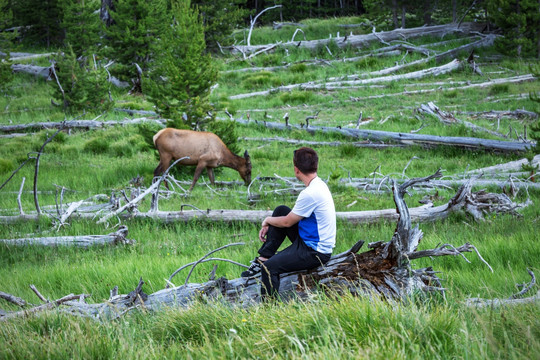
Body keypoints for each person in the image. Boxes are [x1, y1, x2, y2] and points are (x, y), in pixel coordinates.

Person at [241, 147, 336, 299]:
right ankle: (263, 258)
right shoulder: (319, 185)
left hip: (315, 252)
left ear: (296, 170)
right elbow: (287, 217)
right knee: (281, 210)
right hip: (309, 241)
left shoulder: (310, 193)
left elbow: (286, 222)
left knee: (269, 269)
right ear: (316, 166)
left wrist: (266, 220)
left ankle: (268, 309)